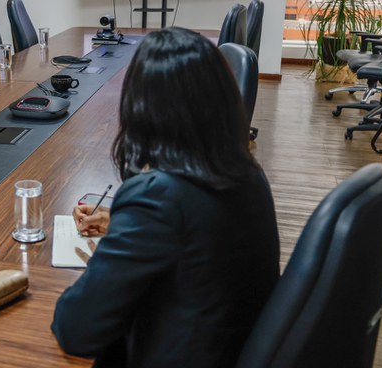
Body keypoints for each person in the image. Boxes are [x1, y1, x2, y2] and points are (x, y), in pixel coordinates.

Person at [51, 28, 280, 367]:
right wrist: (124, 223)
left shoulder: (157, 198)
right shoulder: (249, 173)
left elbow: (76, 330)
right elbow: (200, 235)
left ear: (142, 108)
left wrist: (130, 231)